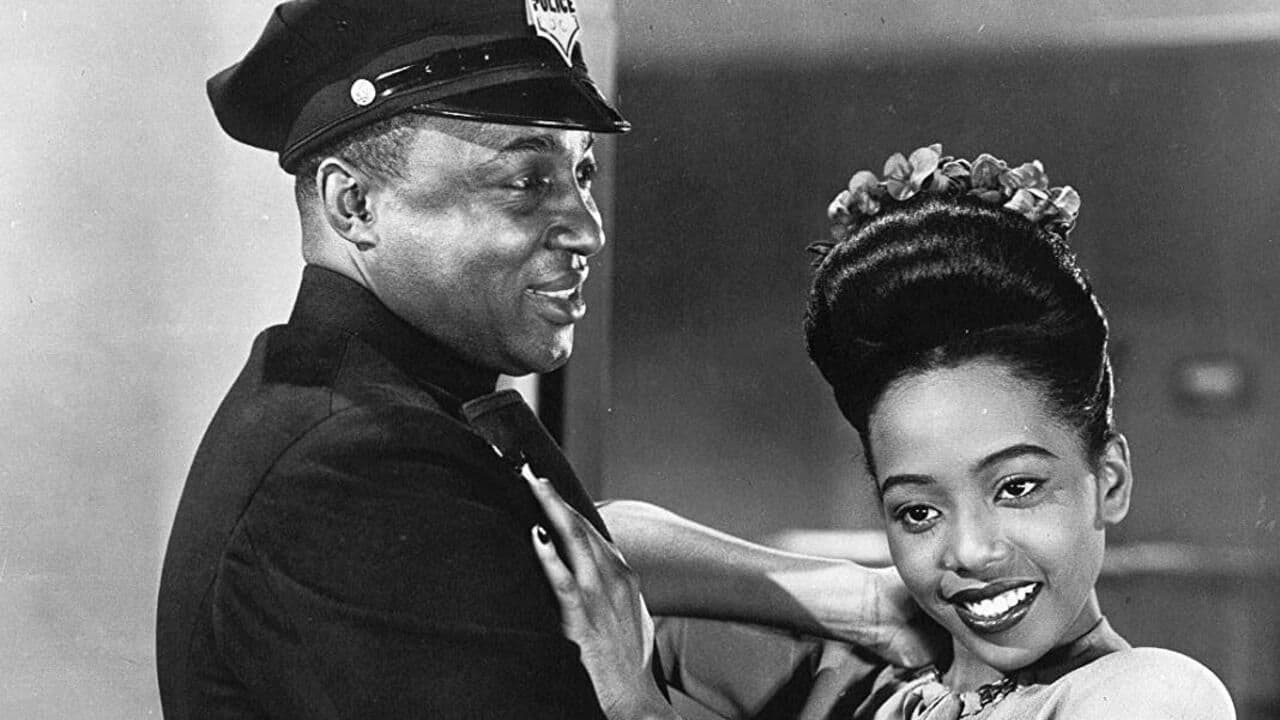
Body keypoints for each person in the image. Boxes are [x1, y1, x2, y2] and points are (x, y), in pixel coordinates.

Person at [156, 3, 936, 717]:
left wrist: (852, 597)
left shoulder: (367, 404)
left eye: (582, 172)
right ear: (354, 205)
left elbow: (571, 537)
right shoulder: (358, 469)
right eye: (526, 181)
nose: (588, 229)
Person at [528, 145, 1237, 718]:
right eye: (918, 511)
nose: (970, 550)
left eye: (1018, 487)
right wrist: (856, 597)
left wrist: (637, 709)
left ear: (1109, 481)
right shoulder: (862, 685)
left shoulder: (1150, 694)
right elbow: (590, 542)